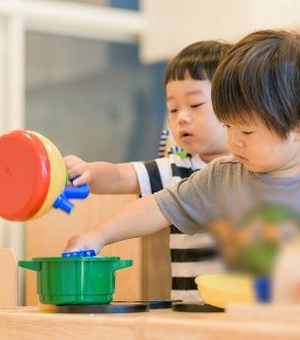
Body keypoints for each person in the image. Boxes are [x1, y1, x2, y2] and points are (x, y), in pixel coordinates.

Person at [65, 30, 300, 304]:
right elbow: (159, 207)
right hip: (247, 320)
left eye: (246, 131)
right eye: (228, 126)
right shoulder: (223, 177)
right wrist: (98, 235)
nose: (234, 141)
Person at [64, 40, 231, 301]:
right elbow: (119, 176)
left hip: (247, 311)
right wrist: (89, 173)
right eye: (173, 109)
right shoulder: (177, 168)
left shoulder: (257, 170)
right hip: (188, 309)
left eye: (195, 105)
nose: (181, 117)